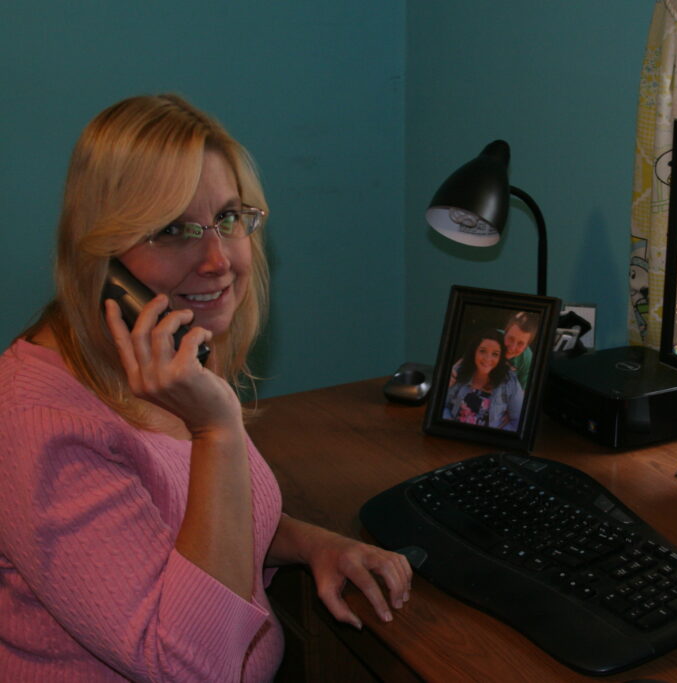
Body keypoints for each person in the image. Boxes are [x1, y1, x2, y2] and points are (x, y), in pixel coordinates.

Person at [0, 94, 412, 681]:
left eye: (227, 218)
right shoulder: (38, 425)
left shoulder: (165, 350)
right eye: (173, 229)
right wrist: (217, 428)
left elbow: (181, 529)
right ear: (103, 253)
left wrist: (313, 543)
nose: (218, 259)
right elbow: (196, 670)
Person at [443, 329, 524, 430]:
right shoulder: (458, 371)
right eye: (482, 351)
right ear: (474, 352)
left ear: (500, 358)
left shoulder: (509, 381)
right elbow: (441, 405)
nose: (487, 358)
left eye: (495, 354)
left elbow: (519, 420)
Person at [449, 311, 539, 391]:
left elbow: (522, 392)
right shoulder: (491, 338)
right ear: (505, 332)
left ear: (527, 345)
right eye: (511, 338)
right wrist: (452, 374)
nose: (512, 347)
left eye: (520, 343)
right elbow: (465, 362)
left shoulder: (527, 358)